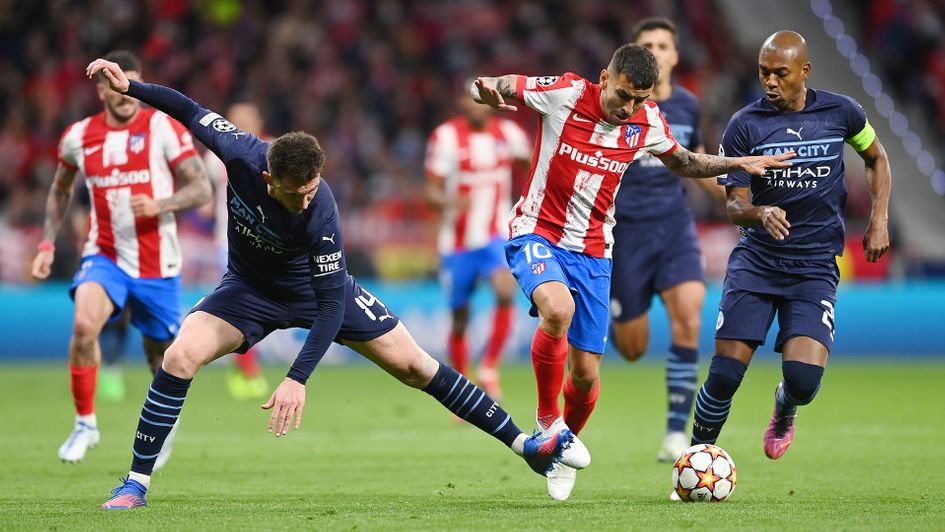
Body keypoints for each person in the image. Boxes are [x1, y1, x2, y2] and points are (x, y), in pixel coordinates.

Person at [85, 58, 585, 511]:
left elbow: (327, 309)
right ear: (268, 178)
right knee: (178, 357)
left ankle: (527, 447)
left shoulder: (321, 211)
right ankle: (135, 484)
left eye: (310, 189)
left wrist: (296, 379)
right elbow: (187, 109)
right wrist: (133, 86)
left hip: (317, 289)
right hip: (249, 289)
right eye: (294, 193)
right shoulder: (240, 153)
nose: (305, 200)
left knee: (416, 366)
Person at [472, 43, 793, 500]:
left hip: (595, 251)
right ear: (604, 78)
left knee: (585, 374)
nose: (629, 107)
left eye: (639, 99)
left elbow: (684, 162)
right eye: (623, 95)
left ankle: (564, 449)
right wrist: (484, 90)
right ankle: (549, 424)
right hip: (537, 232)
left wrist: (736, 164)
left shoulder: (647, 121)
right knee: (556, 310)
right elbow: (505, 85)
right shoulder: (564, 93)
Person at [686, 30, 890, 459]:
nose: (771, 82)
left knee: (803, 381)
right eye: (764, 73)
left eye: (781, 73)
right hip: (757, 264)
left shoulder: (842, 112)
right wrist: (759, 212)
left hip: (814, 268)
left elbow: (877, 158)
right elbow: (735, 204)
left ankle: (785, 405)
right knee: (724, 375)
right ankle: (696, 457)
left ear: (805, 71)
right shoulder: (745, 125)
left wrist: (879, 217)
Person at [31, 50, 212, 465]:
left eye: (130, 81)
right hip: (105, 254)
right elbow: (60, 189)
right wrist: (46, 243)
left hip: (158, 265)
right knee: (83, 326)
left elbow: (200, 189)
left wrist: (160, 203)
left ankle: (164, 426)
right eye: (114, 82)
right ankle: (84, 423)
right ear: (100, 89)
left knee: (161, 357)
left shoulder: (163, 127)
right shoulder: (79, 136)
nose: (125, 90)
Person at [609, 17, 727, 463]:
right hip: (624, 235)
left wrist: (736, 204)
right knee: (634, 349)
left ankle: (677, 432)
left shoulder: (688, 107)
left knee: (688, 314)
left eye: (663, 45)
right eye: (647, 45)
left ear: (675, 56)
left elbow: (694, 163)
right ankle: (615, 314)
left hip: (674, 227)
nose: (656, 51)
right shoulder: (617, 107)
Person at [424, 84, 531, 400]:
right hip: (456, 242)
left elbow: (534, 164)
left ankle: (489, 368)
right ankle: (463, 387)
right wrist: (447, 202)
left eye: (481, 99)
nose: (476, 105)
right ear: (460, 103)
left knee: (504, 289)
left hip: (495, 234)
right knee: (460, 318)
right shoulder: (445, 137)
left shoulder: (509, 134)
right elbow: (430, 191)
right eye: (469, 99)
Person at [202, 101, 271, 400]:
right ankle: (246, 370)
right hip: (229, 243)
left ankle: (240, 363)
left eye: (247, 118)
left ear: (259, 120)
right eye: (235, 119)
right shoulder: (214, 154)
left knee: (259, 305)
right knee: (242, 303)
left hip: (270, 243)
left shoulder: (274, 151)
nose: (241, 123)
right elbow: (206, 203)